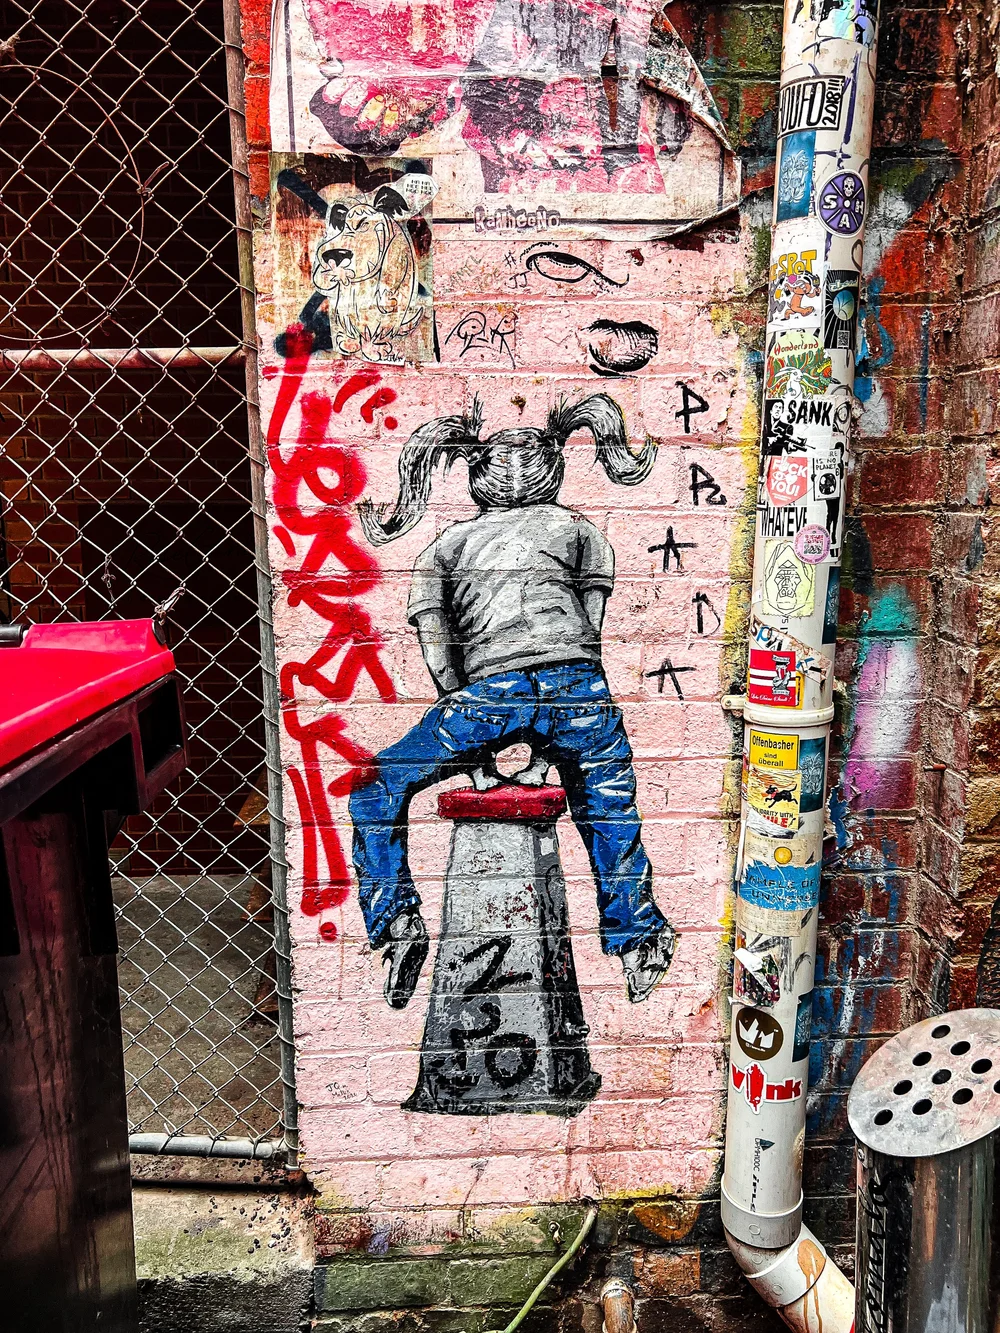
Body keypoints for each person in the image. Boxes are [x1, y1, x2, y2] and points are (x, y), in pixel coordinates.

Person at [348, 393, 677, 1008]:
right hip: (580, 694)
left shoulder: (443, 547)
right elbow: (587, 633)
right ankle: (639, 943)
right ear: (553, 472)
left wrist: (470, 730)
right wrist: (553, 745)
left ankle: (396, 926)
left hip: (486, 697)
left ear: (475, 475)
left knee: (374, 787)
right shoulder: (581, 531)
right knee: (608, 808)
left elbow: (437, 645)